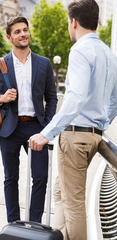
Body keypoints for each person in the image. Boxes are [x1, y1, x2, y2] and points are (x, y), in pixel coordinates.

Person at [29, 0, 117, 239]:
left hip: (75, 136)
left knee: (74, 204)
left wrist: (47, 132)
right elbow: (115, 100)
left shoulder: (80, 50)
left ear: (73, 22)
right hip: (93, 137)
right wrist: (98, 125)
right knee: (60, 194)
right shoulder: (109, 54)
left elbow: (75, 98)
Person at [0, 16, 57, 223]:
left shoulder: (43, 64)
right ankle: (13, 223)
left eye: (25, 30)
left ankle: (34, 223)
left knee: (40, 177)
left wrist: (47, 125)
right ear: (9, 37)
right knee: (11, 178)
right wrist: (0, 98)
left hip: (37, 128)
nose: (23, 34)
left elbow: (51, 96)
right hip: (10, 128)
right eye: (17, 32)